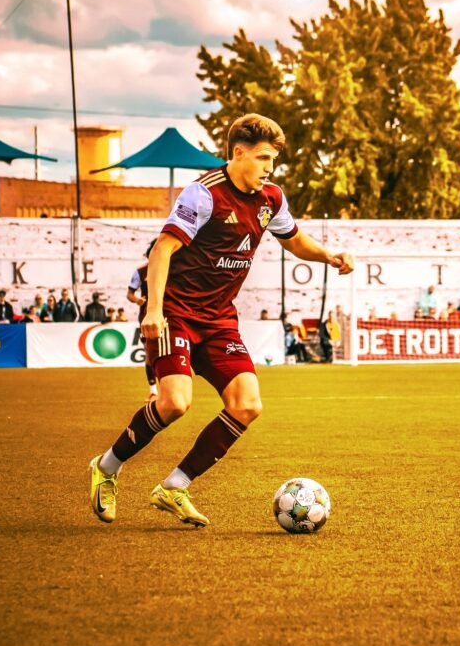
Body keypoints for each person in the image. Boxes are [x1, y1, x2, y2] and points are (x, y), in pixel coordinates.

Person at [88, 113, 354, 527]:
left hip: (219, 319)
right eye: (263, 158)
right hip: (177, 312)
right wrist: (154, 309)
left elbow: (295, 240)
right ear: (238, 153)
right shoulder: (204, 193)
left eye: (273, 160)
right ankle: (107, 466)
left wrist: (329, 255)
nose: (270, 167)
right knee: (175, 403)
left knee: (247, 405)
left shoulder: (271, 199)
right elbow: (162, 250)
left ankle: (174, 486)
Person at [128, 240, 158, 401]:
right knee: (149, 352)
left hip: (169, 314)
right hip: (146, 316)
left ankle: (167, 390)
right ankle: (153, 391)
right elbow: (130, 294)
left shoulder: (172, 269)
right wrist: (137, 300)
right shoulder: (140, 272)